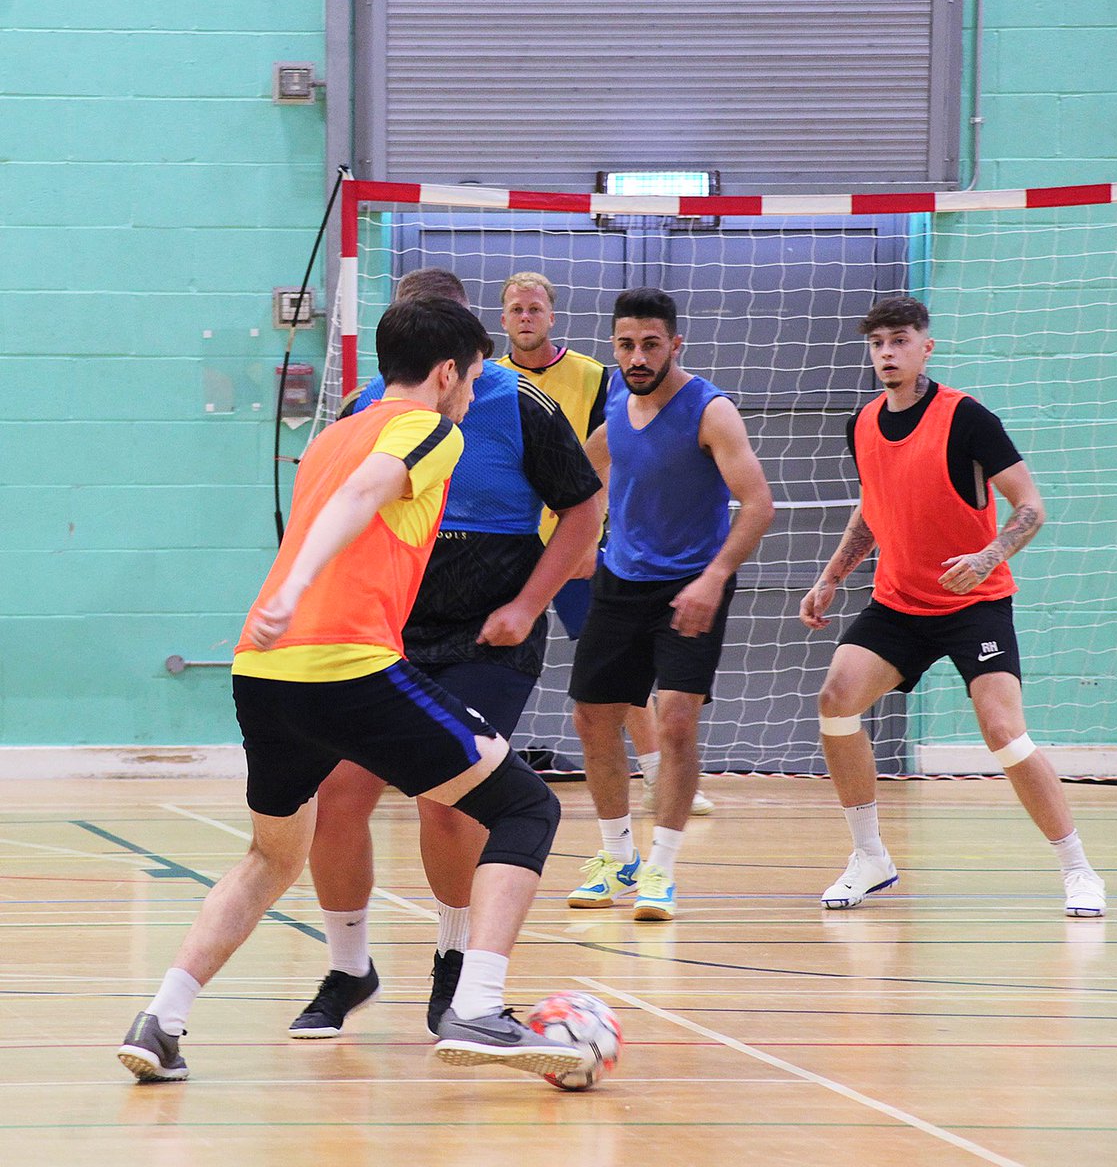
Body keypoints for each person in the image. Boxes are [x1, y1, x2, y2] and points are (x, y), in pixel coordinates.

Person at [117, 298, 585, 1083]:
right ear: (447, 373)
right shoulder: (432, 428)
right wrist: (298, 585)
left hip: (264, 673)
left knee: (271, 856)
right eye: (474, 375)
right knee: (525, 806)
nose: (476, 389)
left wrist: (286, 597)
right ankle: (477, 1004)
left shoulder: (332, 435)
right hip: (346, 665)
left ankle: (162, 1019)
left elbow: (347, 502)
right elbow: (367, 495)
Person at [288, 269, 602, 1041]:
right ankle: (348, 967)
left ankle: (454, 962)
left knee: (449, 791)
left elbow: (584, 508)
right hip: (387, 636)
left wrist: (527, 606)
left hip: (487, 640)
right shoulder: (374, 408)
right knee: (337, 795)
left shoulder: (525, 406)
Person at [799, 296, 1106, 918]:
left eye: (900, 341)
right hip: (900, 603)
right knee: (836, 699)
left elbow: (1029, 508)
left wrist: (988, 557)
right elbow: (872, 509)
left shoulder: (966, 417)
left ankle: (1078, 869)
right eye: (878, 342)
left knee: (1001, 730)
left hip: (975, 602)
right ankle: (869, 858)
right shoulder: (862, 423)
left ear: (925, 348)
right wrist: (831, 576)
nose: (888, 352)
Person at [566, 287, 775, 920]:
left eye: (651, 344)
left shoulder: (711, 411)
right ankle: (616, 855)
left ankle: (660, 868)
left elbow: (759, 505)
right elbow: (592, 467)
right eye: (626, 344)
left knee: (677, 719)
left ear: (674, 345)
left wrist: (715, 577)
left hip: (690, 584)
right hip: (621, 580)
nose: (638, 355)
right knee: (593, 718)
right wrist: (583, 533)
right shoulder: (616, 405)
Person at [497, 270, 715, 816]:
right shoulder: (488, 381)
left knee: (622, 673)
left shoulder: (598, 377)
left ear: (552, 316)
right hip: (508, 544)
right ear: (503, 319)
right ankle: (471, 768)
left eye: (535, 309)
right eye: (516, 309)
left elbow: (612, 454)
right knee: (491, 656)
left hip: (577, 548)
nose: (526, 317)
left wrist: (591, 535)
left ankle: (656, 773)